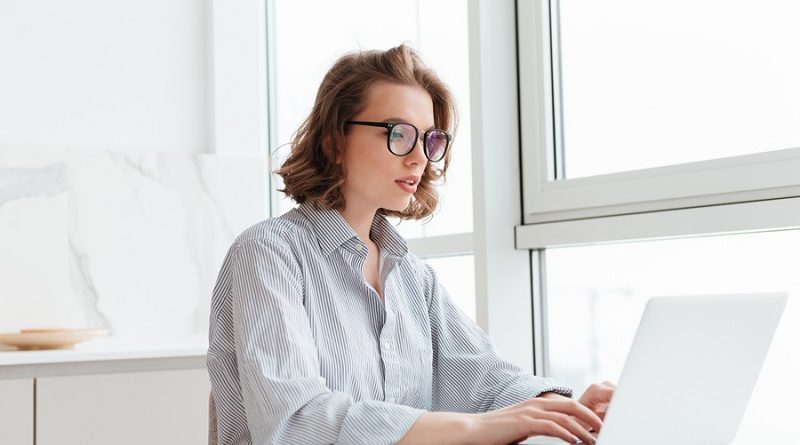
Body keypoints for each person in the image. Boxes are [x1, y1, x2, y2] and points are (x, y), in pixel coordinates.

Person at [207, 44, 614, 445]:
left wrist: (565, 410)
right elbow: (297, 424)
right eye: (399, 134)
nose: (420, 157)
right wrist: (477, 428)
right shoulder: (267, 254)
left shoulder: (413, 278)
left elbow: (483, 377)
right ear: (334, 141)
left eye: (429, 139)